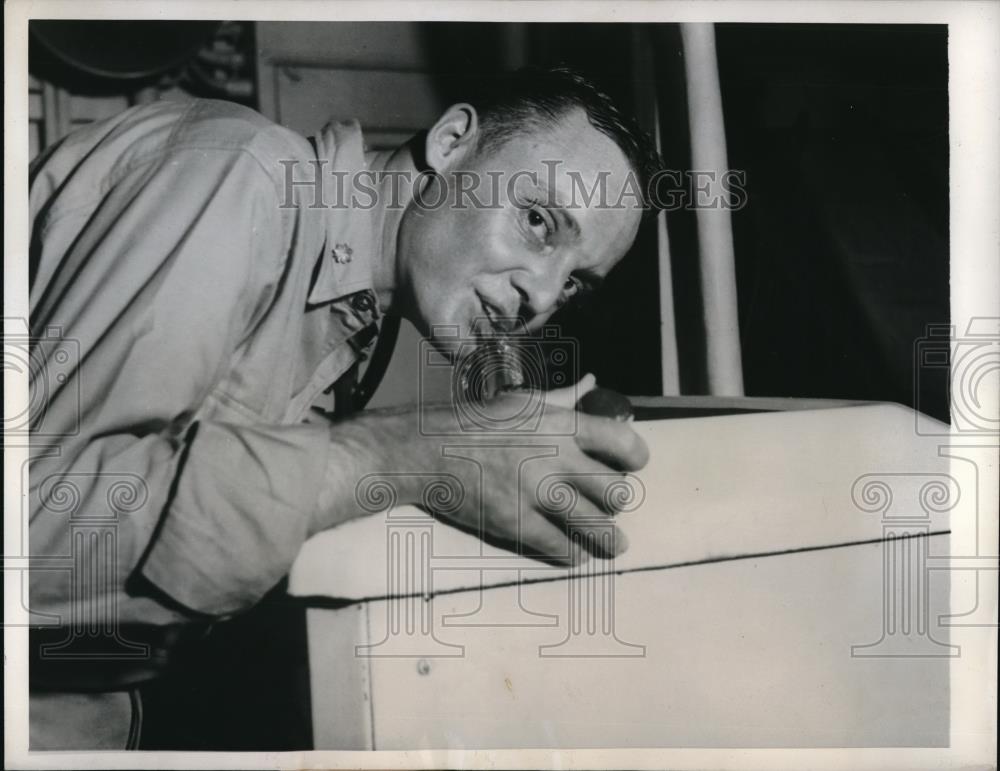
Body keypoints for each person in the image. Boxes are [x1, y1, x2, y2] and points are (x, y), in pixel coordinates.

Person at [26, 66, 662, 748]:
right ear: (452, 141)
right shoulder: (244, 176)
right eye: (537, 221)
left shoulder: (352, 317)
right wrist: (411, 452)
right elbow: (36, 538)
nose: (540, 295)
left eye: (573, 285)